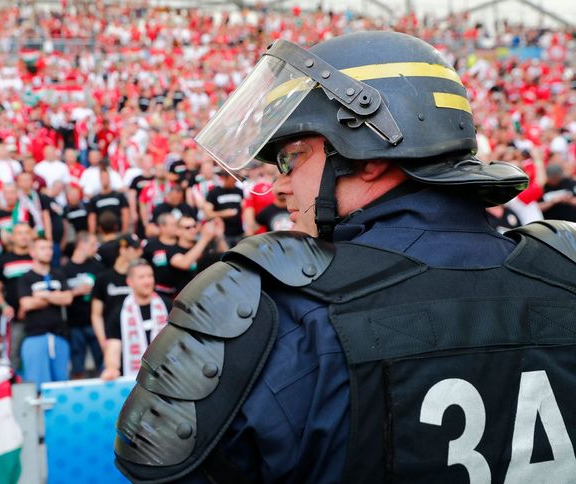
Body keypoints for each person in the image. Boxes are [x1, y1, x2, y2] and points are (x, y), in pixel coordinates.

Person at [114, 31, 576, 483]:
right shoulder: (565, 271)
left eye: (292, 157)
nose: (279, 185)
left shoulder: (282, 313)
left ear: (366, 157)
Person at [100, 258, 170, 380]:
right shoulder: (119, 313)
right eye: (141, 277)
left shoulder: (167, 306)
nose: (147, 281)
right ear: (130, 281)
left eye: (150, 276)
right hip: (134, 380)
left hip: (168, 377)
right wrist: (111, 368)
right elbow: (113, 346)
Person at [17, 238, 73, 389]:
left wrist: (43, 295)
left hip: (59, 335)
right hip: (35, 335)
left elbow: (68, 298)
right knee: (38, 388)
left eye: (49, 248)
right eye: (43, 248)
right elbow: (26, 304)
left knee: (61, 386)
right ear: (32, 252)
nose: (48, 251)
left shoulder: (58, 274)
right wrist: (56, 296)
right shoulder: (26, 277)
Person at [0, 222, 34, 369]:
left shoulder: (38, 257)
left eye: (26, 232)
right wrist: (3, 306)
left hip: (38, 317)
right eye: (19, 233)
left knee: (34, 357)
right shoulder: (4, 260)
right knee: (12, 354)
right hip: (14, 319)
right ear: (13, 237)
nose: (23, 236)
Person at [62, 232, 104, 378]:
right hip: (74, 324)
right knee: (77, 366)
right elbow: (60, 295)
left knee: (103, 363)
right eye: (92, 245)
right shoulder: (64, 270)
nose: (95, 248)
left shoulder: (98, 267)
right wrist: (75, 292)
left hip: (96, 322)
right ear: (81, 244)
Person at [91, 233, 143, 350]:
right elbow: (96, 314)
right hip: (113, 338)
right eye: (135, 248)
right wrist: (103, 341)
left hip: (137, 338)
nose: (140, 252)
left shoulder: (140, 277)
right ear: (122, 250)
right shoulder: (103, 279)